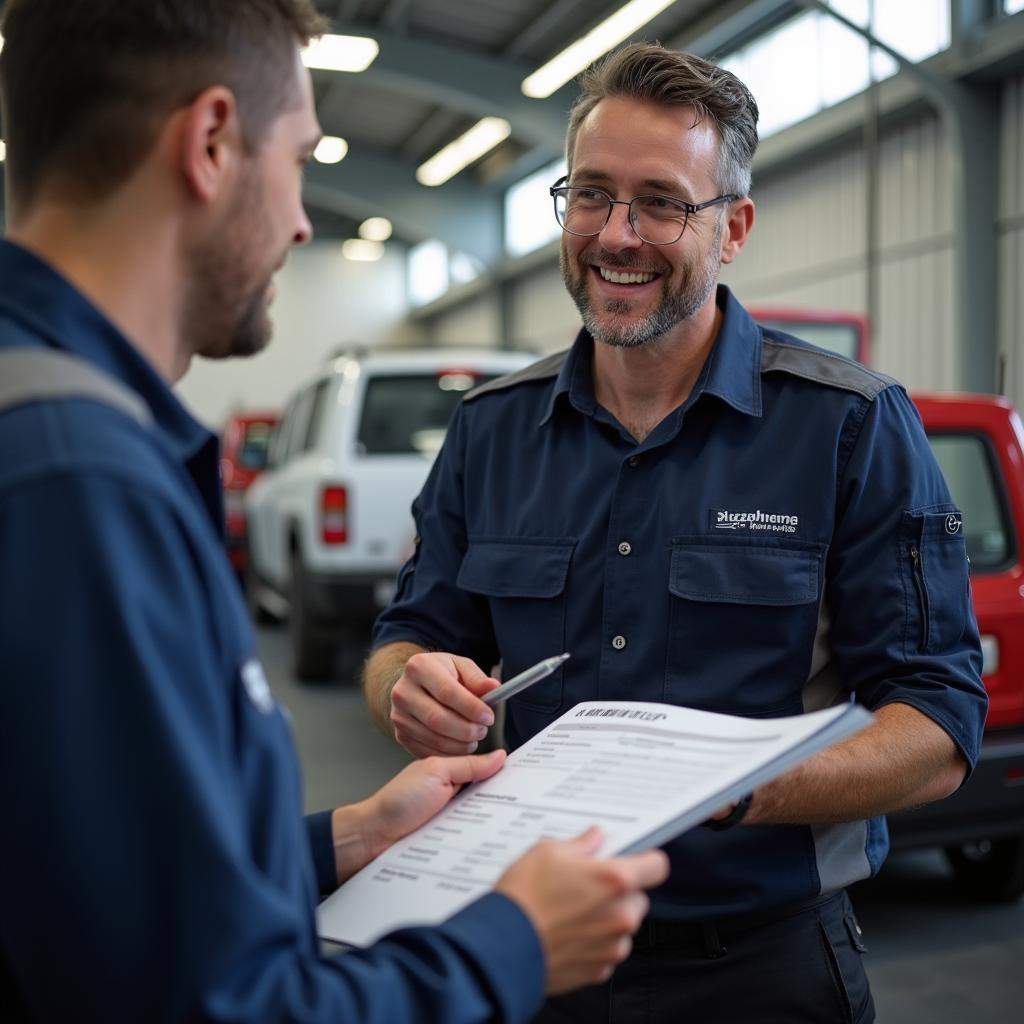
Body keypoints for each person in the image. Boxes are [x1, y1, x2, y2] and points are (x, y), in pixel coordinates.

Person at [0, 3, 670, 1022]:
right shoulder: (77, 486)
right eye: (301, 158)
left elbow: (90, 885)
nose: (305, 218)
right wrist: (512, 942)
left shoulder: (51, 434)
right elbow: (216, 1004)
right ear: (212, 142)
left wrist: (343, 838)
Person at [363, 42, 989, 1024]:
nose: (618, 234)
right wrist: (410, 688)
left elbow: (939, 727)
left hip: (761, 970)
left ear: (732, 226)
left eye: (661, 201)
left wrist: (741, 788)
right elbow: (404, 637)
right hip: (525, 953)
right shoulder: (490, 431)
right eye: (592, 195)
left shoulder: (848, 427)